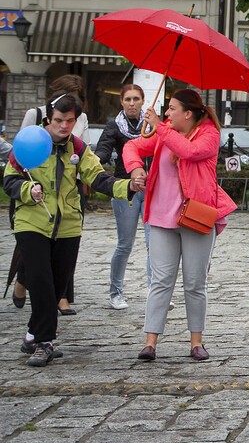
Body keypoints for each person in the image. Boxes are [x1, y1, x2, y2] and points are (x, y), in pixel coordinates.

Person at [3, 93, 132, 366]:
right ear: (48, 119)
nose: (64, 126)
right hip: (31, 222)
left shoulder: (78, 148)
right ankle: (45, 343)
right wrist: (28, 189)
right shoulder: (30, 141)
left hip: (68, 225)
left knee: (58, 284)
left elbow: (98, 178)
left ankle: (32, 333)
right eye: (59, 120)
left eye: (70, 121)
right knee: (40, 281)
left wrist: (128, 186)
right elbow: (10, 181)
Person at [124, 89, 236, 361]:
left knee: (195, 283)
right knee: (160, 281)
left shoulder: (209, 134)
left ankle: (196, 342)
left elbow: (189, 151)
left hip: (196, 216)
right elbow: (132, 146)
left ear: (188, 113)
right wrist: (136, 168)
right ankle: (150, 343)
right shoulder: (165, 132)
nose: (166, 113)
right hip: (161, 218)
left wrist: (160, 127)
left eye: (172, 108)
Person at [11, 75, 91, 314]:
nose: (65, 123)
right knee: (34, 250)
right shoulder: (34, 115)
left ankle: (60, 297)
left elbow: (85, 148)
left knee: (64, 250)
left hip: (68, 187)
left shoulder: (81, 118)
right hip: (34, 190)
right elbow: (21, 150)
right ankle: (24, 282)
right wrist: (27, 187)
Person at [95, 83, 151, 311]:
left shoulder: (151, 124)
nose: (132, 103)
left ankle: (155, 292)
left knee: (154, 245)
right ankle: (116, 292)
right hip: (125, 189)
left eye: (136, 99)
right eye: (128, 99)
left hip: (152, 189)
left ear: (142, 101)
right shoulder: (114, 125)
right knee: (125, 244)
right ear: (121, 101)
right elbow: (104, 149)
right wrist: (95, 161)